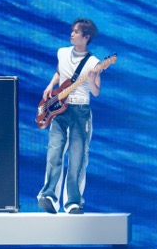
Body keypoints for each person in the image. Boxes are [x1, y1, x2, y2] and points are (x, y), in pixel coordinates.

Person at [37, 19, 106, 214]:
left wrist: (92, 79)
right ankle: (49, 196)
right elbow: (60, 73)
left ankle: (73, 202)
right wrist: (50, 85)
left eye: (77, 32)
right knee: (54, 152)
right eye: (72, 31)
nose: (72, 34)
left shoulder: (94, 63)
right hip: (60, 108)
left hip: (80, 110)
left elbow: (96, 92)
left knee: (77, 158)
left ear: (86, 37)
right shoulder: (62, 52)